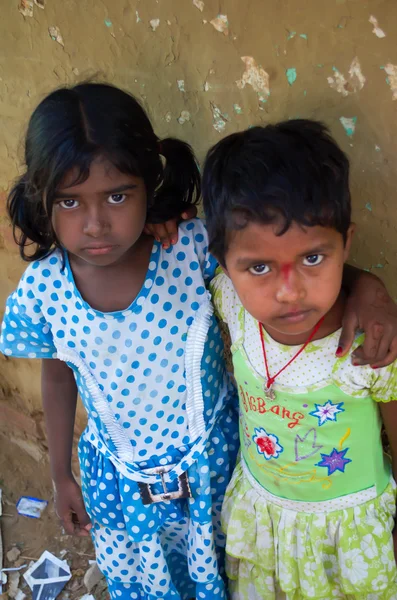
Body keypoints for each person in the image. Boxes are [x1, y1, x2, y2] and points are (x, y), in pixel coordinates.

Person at [0, 82, 240, 600]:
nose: (96, 223)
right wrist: (60, 474)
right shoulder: (45, 289)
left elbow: (273, 266)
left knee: (220, 567)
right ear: (42, 199)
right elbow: (58, 373)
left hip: (209, 465)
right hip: (121, 478)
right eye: (69, 201)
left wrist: (367, 289)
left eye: (117, 195)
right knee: (152, 579)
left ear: (149, 184)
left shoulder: (189, 248)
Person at [202, 120, 397, 599]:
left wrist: (370, 288)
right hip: (263, 516)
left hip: (347, 533)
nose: (289, 292)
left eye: (313, 259)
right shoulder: (229, 300)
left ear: (346, 244)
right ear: (226, 264)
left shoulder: (369, 346)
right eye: (260, 267)